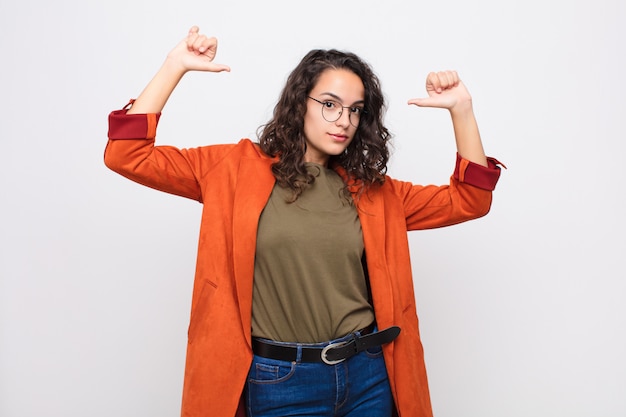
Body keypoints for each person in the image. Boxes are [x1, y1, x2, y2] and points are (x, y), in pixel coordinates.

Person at [105, 26, 503, 417]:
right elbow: (126, 155)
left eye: (355, 110)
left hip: (367, 376)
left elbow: (471, 200)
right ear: (300, 104)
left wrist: (461, 109)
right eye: (329, 104)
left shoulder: (374, 192)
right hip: (280, 382)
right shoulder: (232, 169)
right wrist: (175, 66)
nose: (344, 120)